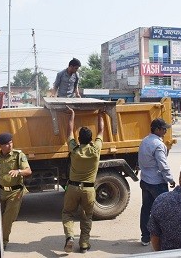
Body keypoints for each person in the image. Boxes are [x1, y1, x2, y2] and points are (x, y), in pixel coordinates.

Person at [62, 106, 104, 254]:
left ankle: (69, 237)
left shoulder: (74, 149)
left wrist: (72, 115)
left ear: (79, 139)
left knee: (68, 213)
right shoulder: (96, 150)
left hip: (72, 188)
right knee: (87, 216)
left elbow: (69, 133)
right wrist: (100, 115)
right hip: (89, 189)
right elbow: (101, 131)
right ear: (91, 139)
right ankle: (84, 245)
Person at [0, 132, 32, 250]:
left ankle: (3, 242)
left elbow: (28, 171)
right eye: (7, 144)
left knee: (7, 220)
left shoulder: (18, 155)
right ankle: (2, 232)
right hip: (1, 192)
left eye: (11, 142)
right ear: (0, 146)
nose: (10, 145)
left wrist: (18, 171)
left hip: (15, 192)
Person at [138, 118, 176, 246]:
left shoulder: (144, 141)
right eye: (163, 129)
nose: (165, 131)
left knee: (146, 209)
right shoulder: (158, 144)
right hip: (157, 183)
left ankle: (145, 237)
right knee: (164, 210)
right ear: (157, 129)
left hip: (145, 180)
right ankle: (164, 237)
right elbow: (163, 165)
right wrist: (170, 179)